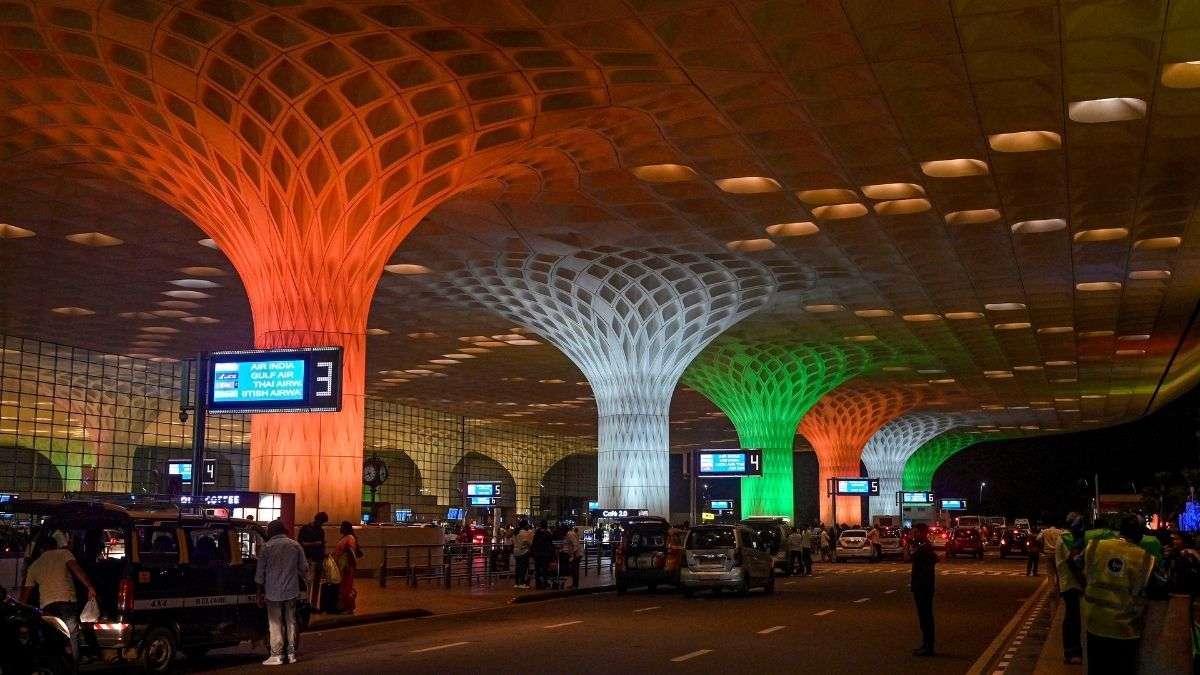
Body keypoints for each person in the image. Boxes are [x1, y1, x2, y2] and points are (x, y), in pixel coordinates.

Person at [1082, 513, 1156, 672]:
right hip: (1125, 630)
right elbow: (1159, 586)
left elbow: (1075, 564)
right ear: (1140, 534)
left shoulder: (1095, 546)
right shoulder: (1145, 558)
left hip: (1095, 623)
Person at [20, 531, 96, 659]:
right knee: (71, 634)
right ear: (55, 546)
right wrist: (89, 587)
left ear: (42, 549)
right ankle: (73, 666)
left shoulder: (34, 566)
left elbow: (25, 594)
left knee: (53, 638)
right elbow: (76, 569)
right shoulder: (64, 553)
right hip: (67, 603)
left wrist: (22, 612)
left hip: (47, 608)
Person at [255, 519, 307, 666]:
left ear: (271, 532)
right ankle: (290, 654)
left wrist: (259, 593)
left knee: (275, 624)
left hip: (272, 592)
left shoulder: (267, 547)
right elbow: (304, 568)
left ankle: (277, 654)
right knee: (291, 621)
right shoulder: (295, 545)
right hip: (291, 590)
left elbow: (260, 573)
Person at [1054, 513, 1086, 664]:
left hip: (1067, 582)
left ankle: (1073, 650)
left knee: (1073, 617)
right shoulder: (1068, 538)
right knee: (1072, 618)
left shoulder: (1065, 537)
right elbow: (1073, 563)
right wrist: (1084, 583)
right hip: (1072, 583)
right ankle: (1072, 651)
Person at [908, 522, 938, 657]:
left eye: (915, 532)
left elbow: (907, 557)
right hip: (924, 586)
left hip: (923, 587)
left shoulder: (924, 548)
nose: (913, 535)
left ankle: (928, 646)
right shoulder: (925, 547)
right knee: (925, 617)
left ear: (921, 532)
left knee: (925, 617)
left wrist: (907, 544)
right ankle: (926, 644)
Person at [297, 512, 328, 610]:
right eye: (322, 522)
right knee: (308, 581)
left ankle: (313, 604)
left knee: (315, 582)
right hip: (309, 559)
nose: (322, 524)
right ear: (317, 519)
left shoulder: (320, 530)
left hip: (318, 558)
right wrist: (315, 543)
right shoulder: (306, 529)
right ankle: (307, 602)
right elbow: (301, 543)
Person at [333, 521, 360, 614]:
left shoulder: (349, 538)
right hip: (342, 566)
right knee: (344, 587)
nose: (340, 528)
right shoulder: (346, 538)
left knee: (346, 588)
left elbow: (351, 552)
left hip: (346, 567)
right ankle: (345, 606)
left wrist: (350, 565)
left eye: (342, 527)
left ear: (346, 528)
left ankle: (349, 607)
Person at [531, 520, 555, 589]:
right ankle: (545, 583)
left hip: (538, 554)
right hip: (545, 554)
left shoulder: (537, 533)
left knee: (537, 569)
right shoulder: (548, 534)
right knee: (545, 569)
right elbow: (550, 544)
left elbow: (534, 543)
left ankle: (538, 584)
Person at [513, 520, 533, 588]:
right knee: (523, 568)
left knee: (517, 567)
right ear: (525, 525)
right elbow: (529, 543)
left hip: (515, 552)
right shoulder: (526, 533)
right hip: (523, 551)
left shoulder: (516, 532)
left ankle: (516, 583)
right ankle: (522, 583)